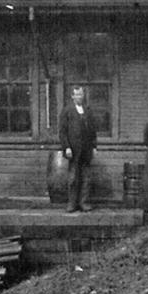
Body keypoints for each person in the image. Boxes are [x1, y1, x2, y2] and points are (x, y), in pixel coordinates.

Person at [58, 85, 97, 213]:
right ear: (72, 96)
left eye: (81, 94)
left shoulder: (88, 110)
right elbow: (62, 132)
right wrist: (67, 147)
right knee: (73, 178)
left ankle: (83, 203)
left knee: (86, 178)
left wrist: (94, 146)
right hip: (73, 151)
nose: (80, 97)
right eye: (77, 95)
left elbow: (93, 131)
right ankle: (72, 204)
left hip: (86, 150)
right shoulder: (67, 111)